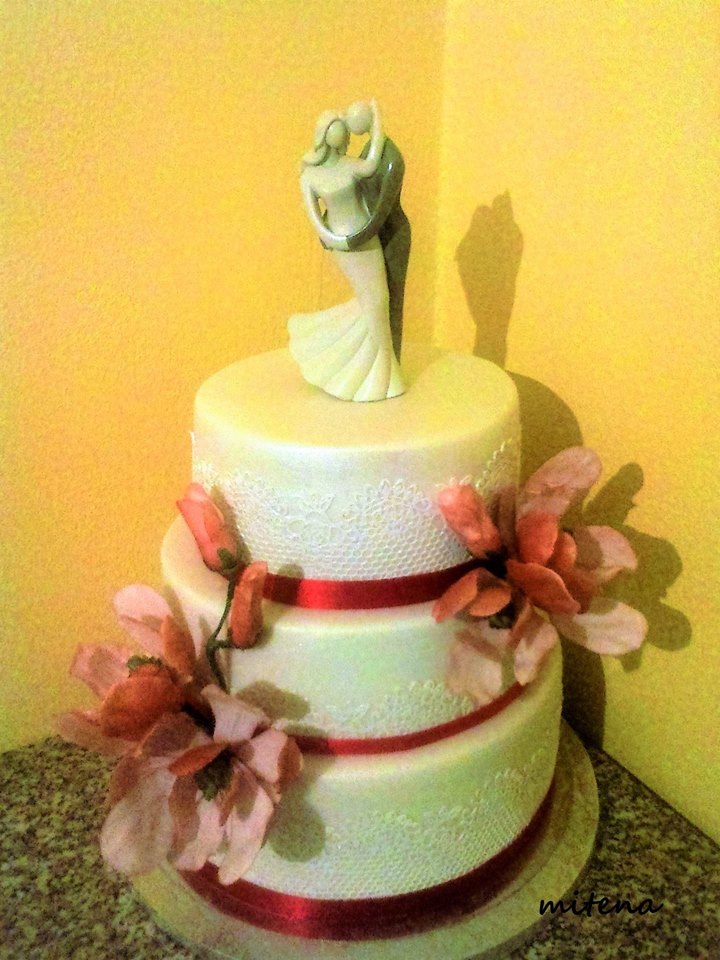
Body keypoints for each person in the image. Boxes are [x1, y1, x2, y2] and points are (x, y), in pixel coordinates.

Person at [287, 102, 405, 402]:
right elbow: (316, 219)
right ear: (324, 136)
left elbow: (374, 160)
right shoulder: (310, 177)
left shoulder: (352, 165)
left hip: (366, 238)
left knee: (378, 300)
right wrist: (337, 240)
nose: (341, 134)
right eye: (335, 129)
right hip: (344, 245)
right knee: (372, 302)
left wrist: (377, 121)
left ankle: (381, 374)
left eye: (342, 129)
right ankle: (369, 374)